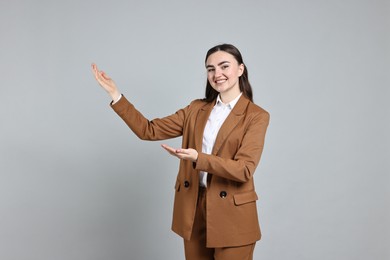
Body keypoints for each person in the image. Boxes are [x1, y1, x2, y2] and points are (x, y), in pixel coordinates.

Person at [92, 43, 270, 260]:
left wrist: (198, 158)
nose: (217, 74)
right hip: (194, 208)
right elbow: (148, 130)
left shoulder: (256, 116)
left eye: (224, 66)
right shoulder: (196, 109)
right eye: (210, 69)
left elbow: (244, 169)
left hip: (232, 214)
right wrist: (115, 94)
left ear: (240, 69)